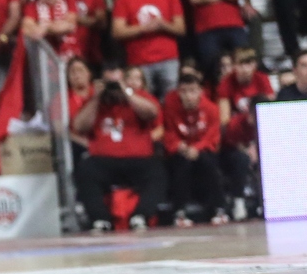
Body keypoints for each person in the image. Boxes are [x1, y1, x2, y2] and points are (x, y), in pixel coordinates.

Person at [73, 65, 166, 231]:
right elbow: (79, 125)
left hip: (138, 160)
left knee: (157, 171)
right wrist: (97, 97)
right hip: (104, 161)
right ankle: (100, 219)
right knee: (86, 169)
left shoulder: (138, 97)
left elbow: (152, 113)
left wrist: (126, 91)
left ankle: (141, 216)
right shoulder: (96, 102)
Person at [159, 71, 228, 226]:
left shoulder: (211, 108)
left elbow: (212, 135)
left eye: (193, 91)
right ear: (178, 92)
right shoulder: (170, 107)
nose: (188, 96)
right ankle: (179, 211)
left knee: (209, 164)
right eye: (184, 91)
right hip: (181, 151)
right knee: (180, 165)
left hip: (203, 150)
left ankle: (219, 208)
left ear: (200, 92)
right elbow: (168, 131)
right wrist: (179, 145)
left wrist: (196, 148)